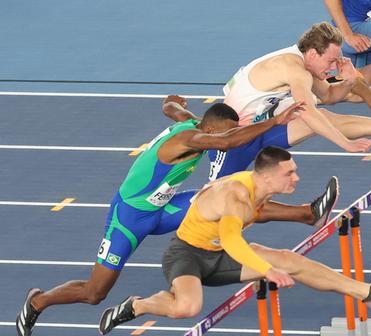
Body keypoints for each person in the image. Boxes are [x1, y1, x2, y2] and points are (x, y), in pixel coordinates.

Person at [14, 98, 338, 336]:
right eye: (220, 136)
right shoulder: (187, 139)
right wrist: (275, 121)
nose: (221, 146)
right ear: (209, 130)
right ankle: (38, 301)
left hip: (166, 208)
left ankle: (307, 214)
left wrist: (172, 102)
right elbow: (226, 141)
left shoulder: (194, 124)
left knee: (231, 200)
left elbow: (172, 108)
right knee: (95, 293)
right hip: (130, 218)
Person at [98, 147, 371, 334]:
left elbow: (248, 224)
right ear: (268, 176)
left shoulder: (258, 189)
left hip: (219, 254)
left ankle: (367, 293)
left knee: (290, 260)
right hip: (187, 255)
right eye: (290, 173)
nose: (296, 178)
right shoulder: (236, 196)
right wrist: (267, 271)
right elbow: (232, 239)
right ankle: (137, 305)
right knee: (187, 308)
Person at [208, 21, 371, 180]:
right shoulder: (294, 69)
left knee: (319, 115)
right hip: (231, 141)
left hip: (259, 130)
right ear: (313, 54)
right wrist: (346, 144)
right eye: (331, 60)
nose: (334, 67)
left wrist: (348, 82)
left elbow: (328, 96)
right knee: (215, 201)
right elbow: (309, 112)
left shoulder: (306, 65)